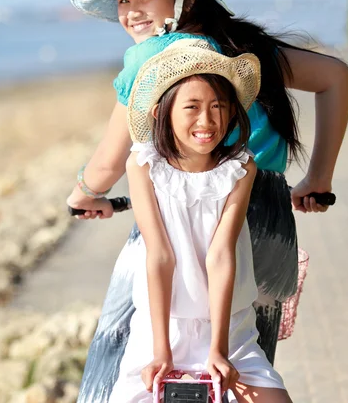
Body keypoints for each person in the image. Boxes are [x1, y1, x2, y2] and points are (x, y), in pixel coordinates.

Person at [67, 0, 348, 401]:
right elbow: (336, 76)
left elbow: (106, 163)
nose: (133, 11)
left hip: (191, 218)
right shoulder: (244, 50)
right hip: (270, 218)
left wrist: (82, 194)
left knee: (121, 358)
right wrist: (318, 179)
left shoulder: (155, 60)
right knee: (236, 377)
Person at [111, 37, 292, 403]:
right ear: (161, 112)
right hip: (161, 326)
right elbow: (160, 255)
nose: (207, 120)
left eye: (217, 106)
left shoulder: (240, 169)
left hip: (227, 326)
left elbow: (221, 254)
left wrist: (218, 348)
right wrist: (161, 350)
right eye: (191, 107)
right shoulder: (144, 165)